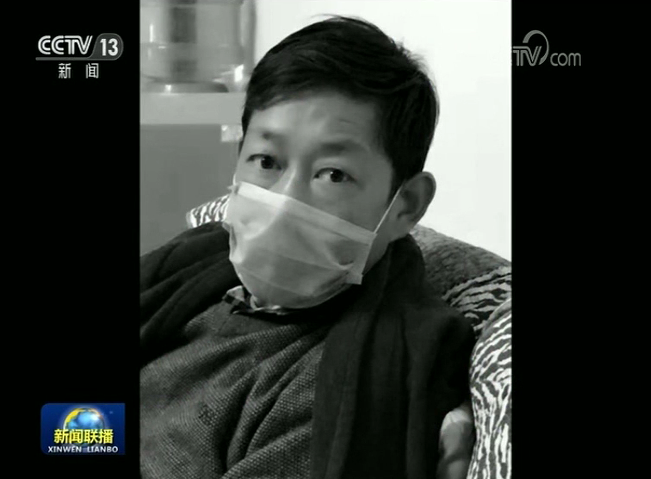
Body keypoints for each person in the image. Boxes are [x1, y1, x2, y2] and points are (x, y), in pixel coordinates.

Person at [140, 16, 476, 479]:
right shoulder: (196, 272)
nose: (284, 202)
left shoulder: (341, 389)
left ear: (406, 205)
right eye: (266, 161)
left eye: (333, 175)